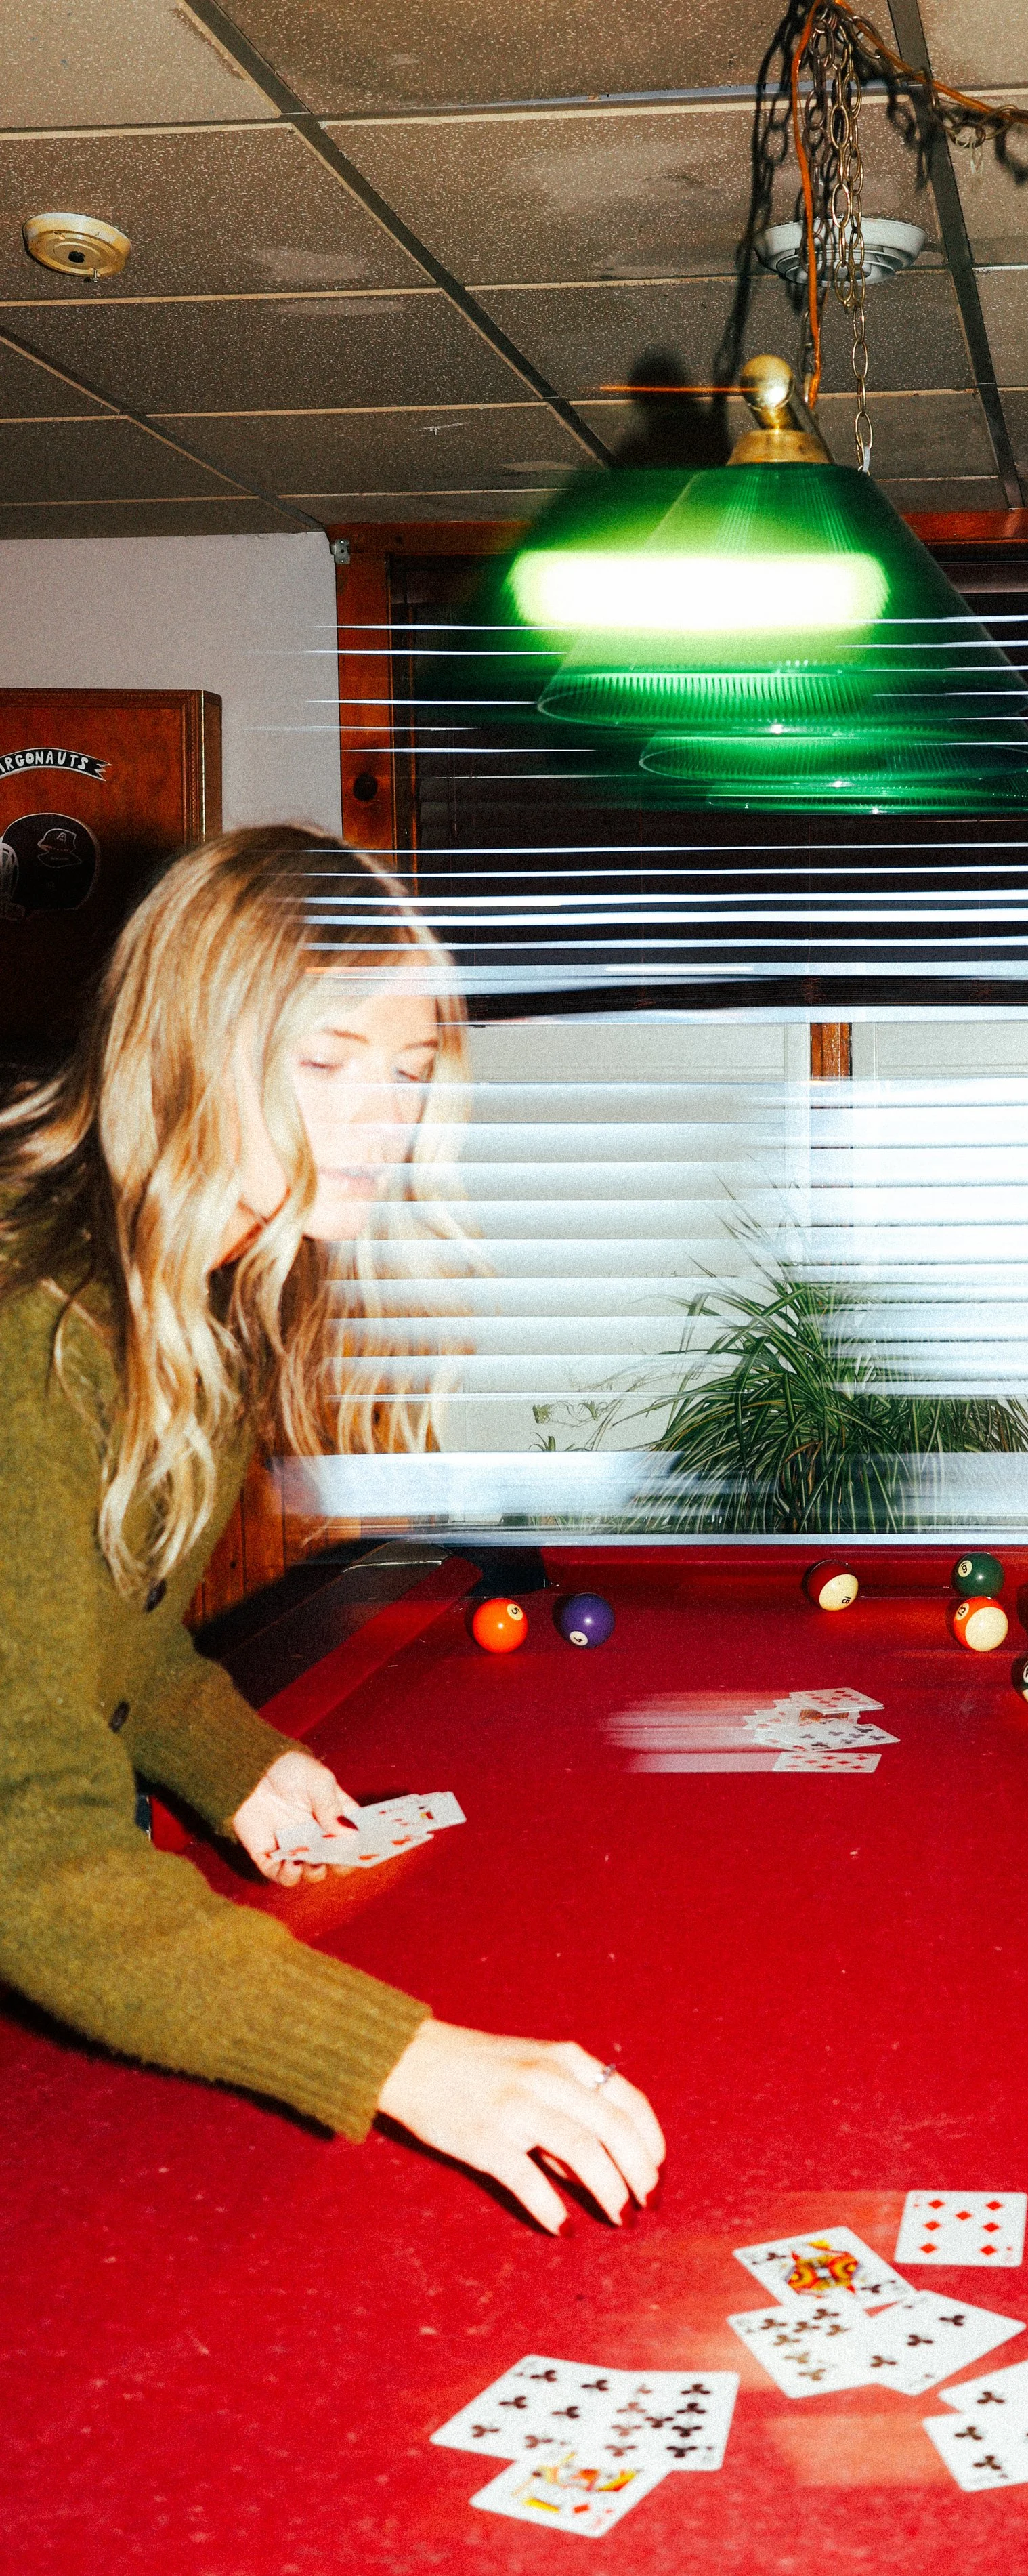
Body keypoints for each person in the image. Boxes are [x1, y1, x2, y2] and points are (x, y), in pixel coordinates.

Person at [0, 826, 663, 2234]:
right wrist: (408, 2061)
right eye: (326, 1059)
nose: (381, 1118)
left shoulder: (207, 1280)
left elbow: (111, 1632)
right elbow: (27, 1843)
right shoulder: (26, 1323)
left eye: (409, 1072)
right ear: (192, 1044)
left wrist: (232, 1757)